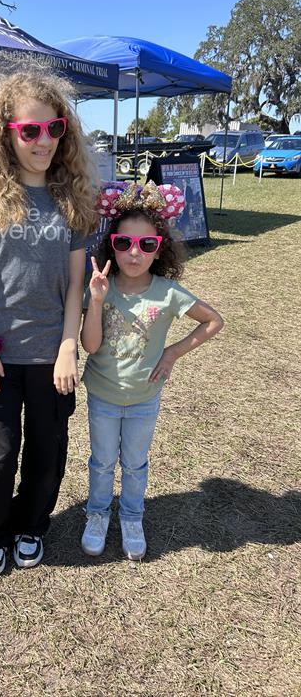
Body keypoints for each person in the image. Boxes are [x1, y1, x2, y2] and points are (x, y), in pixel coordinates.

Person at [0, 62, 97, 575]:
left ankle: (32, 525)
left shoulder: (72, 203)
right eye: (31, 130)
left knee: (47, 451)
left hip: (51, 357)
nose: (44, 141)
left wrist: (68, 347)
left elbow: (74, 286)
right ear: (6, 133)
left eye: (55, 129)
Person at [80, 182, 224, 560]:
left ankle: (131, 517)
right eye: (125, 243)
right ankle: (96, 515)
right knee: (101, 462)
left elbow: (213, 321)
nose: (134, 253)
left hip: (145, 399)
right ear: (111, 242)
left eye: (147, 245)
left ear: (160, 247)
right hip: (103, 397)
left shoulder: (168, 292)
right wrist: (95, 302)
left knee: (135, 464)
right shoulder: (100, 287)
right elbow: (90, 346)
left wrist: (174, 352)